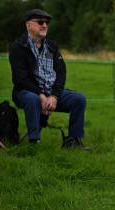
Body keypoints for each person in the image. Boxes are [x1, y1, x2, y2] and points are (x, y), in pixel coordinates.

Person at [9, 9, 89, 150]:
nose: (45, 25)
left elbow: (61, 73)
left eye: (47, 22)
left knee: (79, 99)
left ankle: (74, 141)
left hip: (51, 92)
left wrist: (54, 96)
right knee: (32, 99)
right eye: (40, 22)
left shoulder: (52, 46)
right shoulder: (18, 47)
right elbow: (20, 79)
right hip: (26, 92)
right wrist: (41, 95)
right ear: (29, 26)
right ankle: (34, 142)